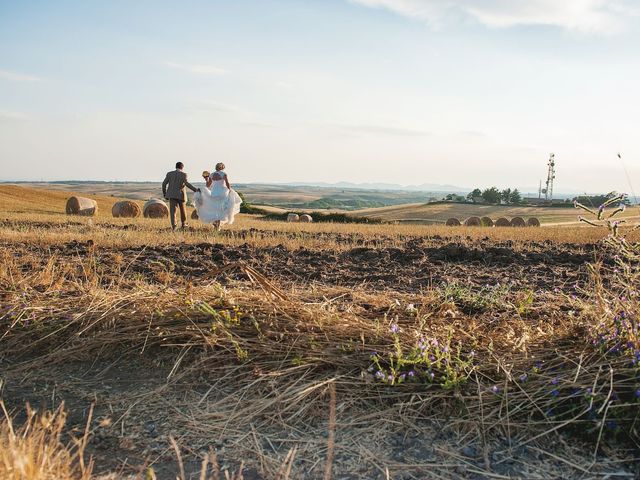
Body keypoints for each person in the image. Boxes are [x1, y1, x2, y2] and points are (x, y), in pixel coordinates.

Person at [195, 162, 242, 231]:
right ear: (222, 167)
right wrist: (230, 190)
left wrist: (206, 179)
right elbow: (227, 183)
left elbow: (208, 185)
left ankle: (216, 225)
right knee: (222, 209)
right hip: (223, 192)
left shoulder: (212, 175)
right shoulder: (224, 174)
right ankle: (218, 225)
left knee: (215, 208)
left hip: (214, 192)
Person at [162, 162, 199, 230]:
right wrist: (195, 189)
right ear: (182, 167)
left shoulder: (169, 174)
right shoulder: (184, 174)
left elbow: (164, 184)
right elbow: (187, 184)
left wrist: (165, 193)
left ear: (176, 167)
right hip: (180, 195)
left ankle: (174, 226)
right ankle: (184, 224)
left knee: (173, 212)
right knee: (183, 211)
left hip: (172, 195)